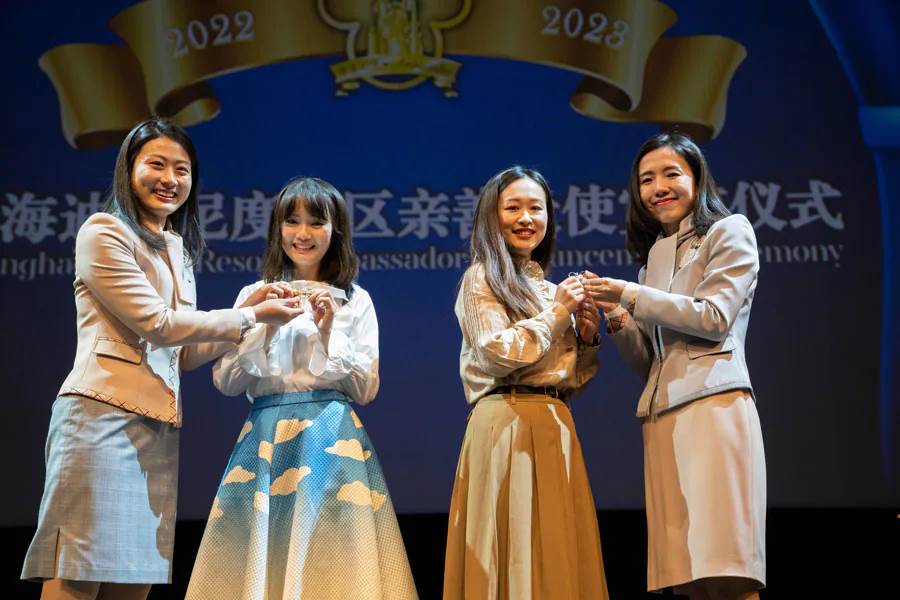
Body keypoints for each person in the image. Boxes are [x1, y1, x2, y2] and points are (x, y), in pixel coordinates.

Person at [21, 118, 304, 600]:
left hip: (155, 430)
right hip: (100, 418)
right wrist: (248, 314)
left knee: (135, 579)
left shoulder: (177, 248)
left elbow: (185, 353)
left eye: (182, 169)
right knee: (78, 575)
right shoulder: (104, 232)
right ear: (129, 169)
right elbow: (157, 323)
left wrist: (256, 318)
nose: (170, 179)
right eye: (156, 164)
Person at [185, 177, 418, 600]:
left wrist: (328, 331)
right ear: (277, 228)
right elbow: (226, 381)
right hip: (266, 437)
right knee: (264, 554)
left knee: (334, 554)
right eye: (291, 221)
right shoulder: (254, 295)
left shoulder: (355, 300)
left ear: (336, 230)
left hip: (330, 435)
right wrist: (264, 322)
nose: (303, 233)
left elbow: (366, 389)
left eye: (316, 222)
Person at [585, 132, 766, 599]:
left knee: (726, 567)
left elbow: (714, 317)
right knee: (686, 575)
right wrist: (618, 317)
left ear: (697, 179)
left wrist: (630, 294)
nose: (658, 188)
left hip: (713, 406)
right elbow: (652, 362)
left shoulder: (729, 231)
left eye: (671, 174)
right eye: (647, 179)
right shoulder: (653, 260)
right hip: (661, 416)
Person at [443, 166, 608, 599]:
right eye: (512, 207)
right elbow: (496, 353)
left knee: (557, 549)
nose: (525, 218)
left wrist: (587, 337)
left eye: (536, 208)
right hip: (505, 420)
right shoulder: (482, 277)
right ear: (491, 216)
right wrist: (558, 315)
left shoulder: (552, 290)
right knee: (510, 550)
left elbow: (570, 380)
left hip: (555, 423)